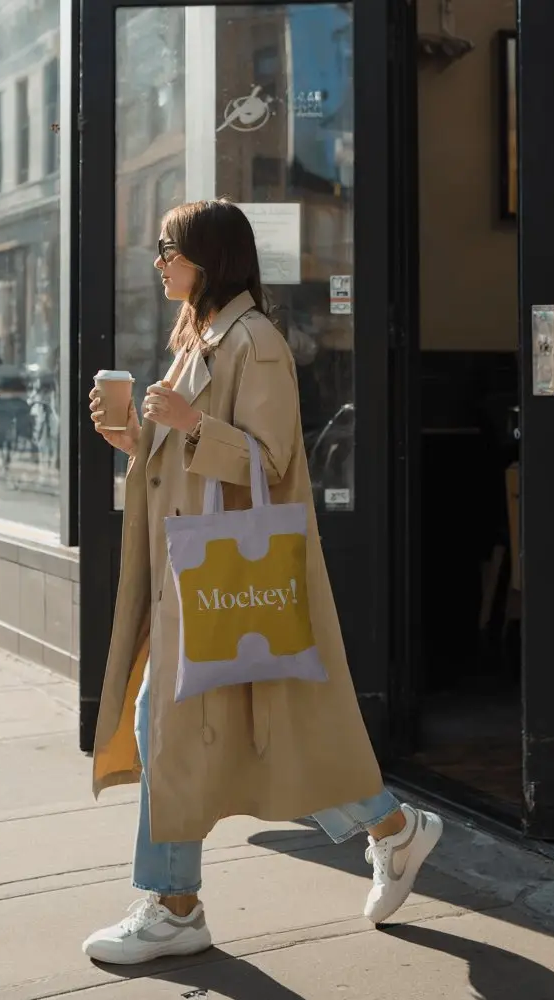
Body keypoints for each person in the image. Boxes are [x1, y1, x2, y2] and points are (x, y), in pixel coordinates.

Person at [84, 199, 442, 966]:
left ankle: (176, 906)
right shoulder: (202, 337)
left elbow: (272, 460)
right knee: (225, 734)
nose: (159, 264)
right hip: (196, 575)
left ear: (209, 258)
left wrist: (183, 424)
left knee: (196, 729)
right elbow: (197, 459)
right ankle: (390, 829)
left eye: (169, 250)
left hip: (225, 576)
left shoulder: (256, 341)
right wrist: (135, 439)